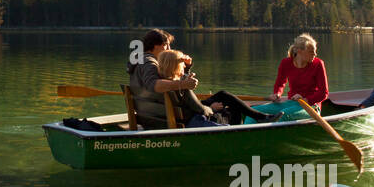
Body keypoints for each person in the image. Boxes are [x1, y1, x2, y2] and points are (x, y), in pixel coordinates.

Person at [127, 29, 274, 128]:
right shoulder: (148, 63)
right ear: (154, 45)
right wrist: (185, 85)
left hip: (159, 113)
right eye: (166, 45)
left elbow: (169, 83)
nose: (169, 48)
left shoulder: (138, 61)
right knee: (230, 110)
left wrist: (185, 70)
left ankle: (259, 116)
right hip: (172, 116)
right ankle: (246, 130)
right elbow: (155, 85)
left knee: (223, 96)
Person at [269, 33, 329, 110]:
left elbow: (324, 93)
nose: (315, 54)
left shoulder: (318, 64)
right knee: (257, 111)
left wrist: (306, 100)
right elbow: (280, 83)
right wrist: (277, 94)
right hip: (292, 103)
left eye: (315, 51)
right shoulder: (285, 63)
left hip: (311, 106)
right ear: (299, 51)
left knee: (283, 114)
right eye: (311, 51)